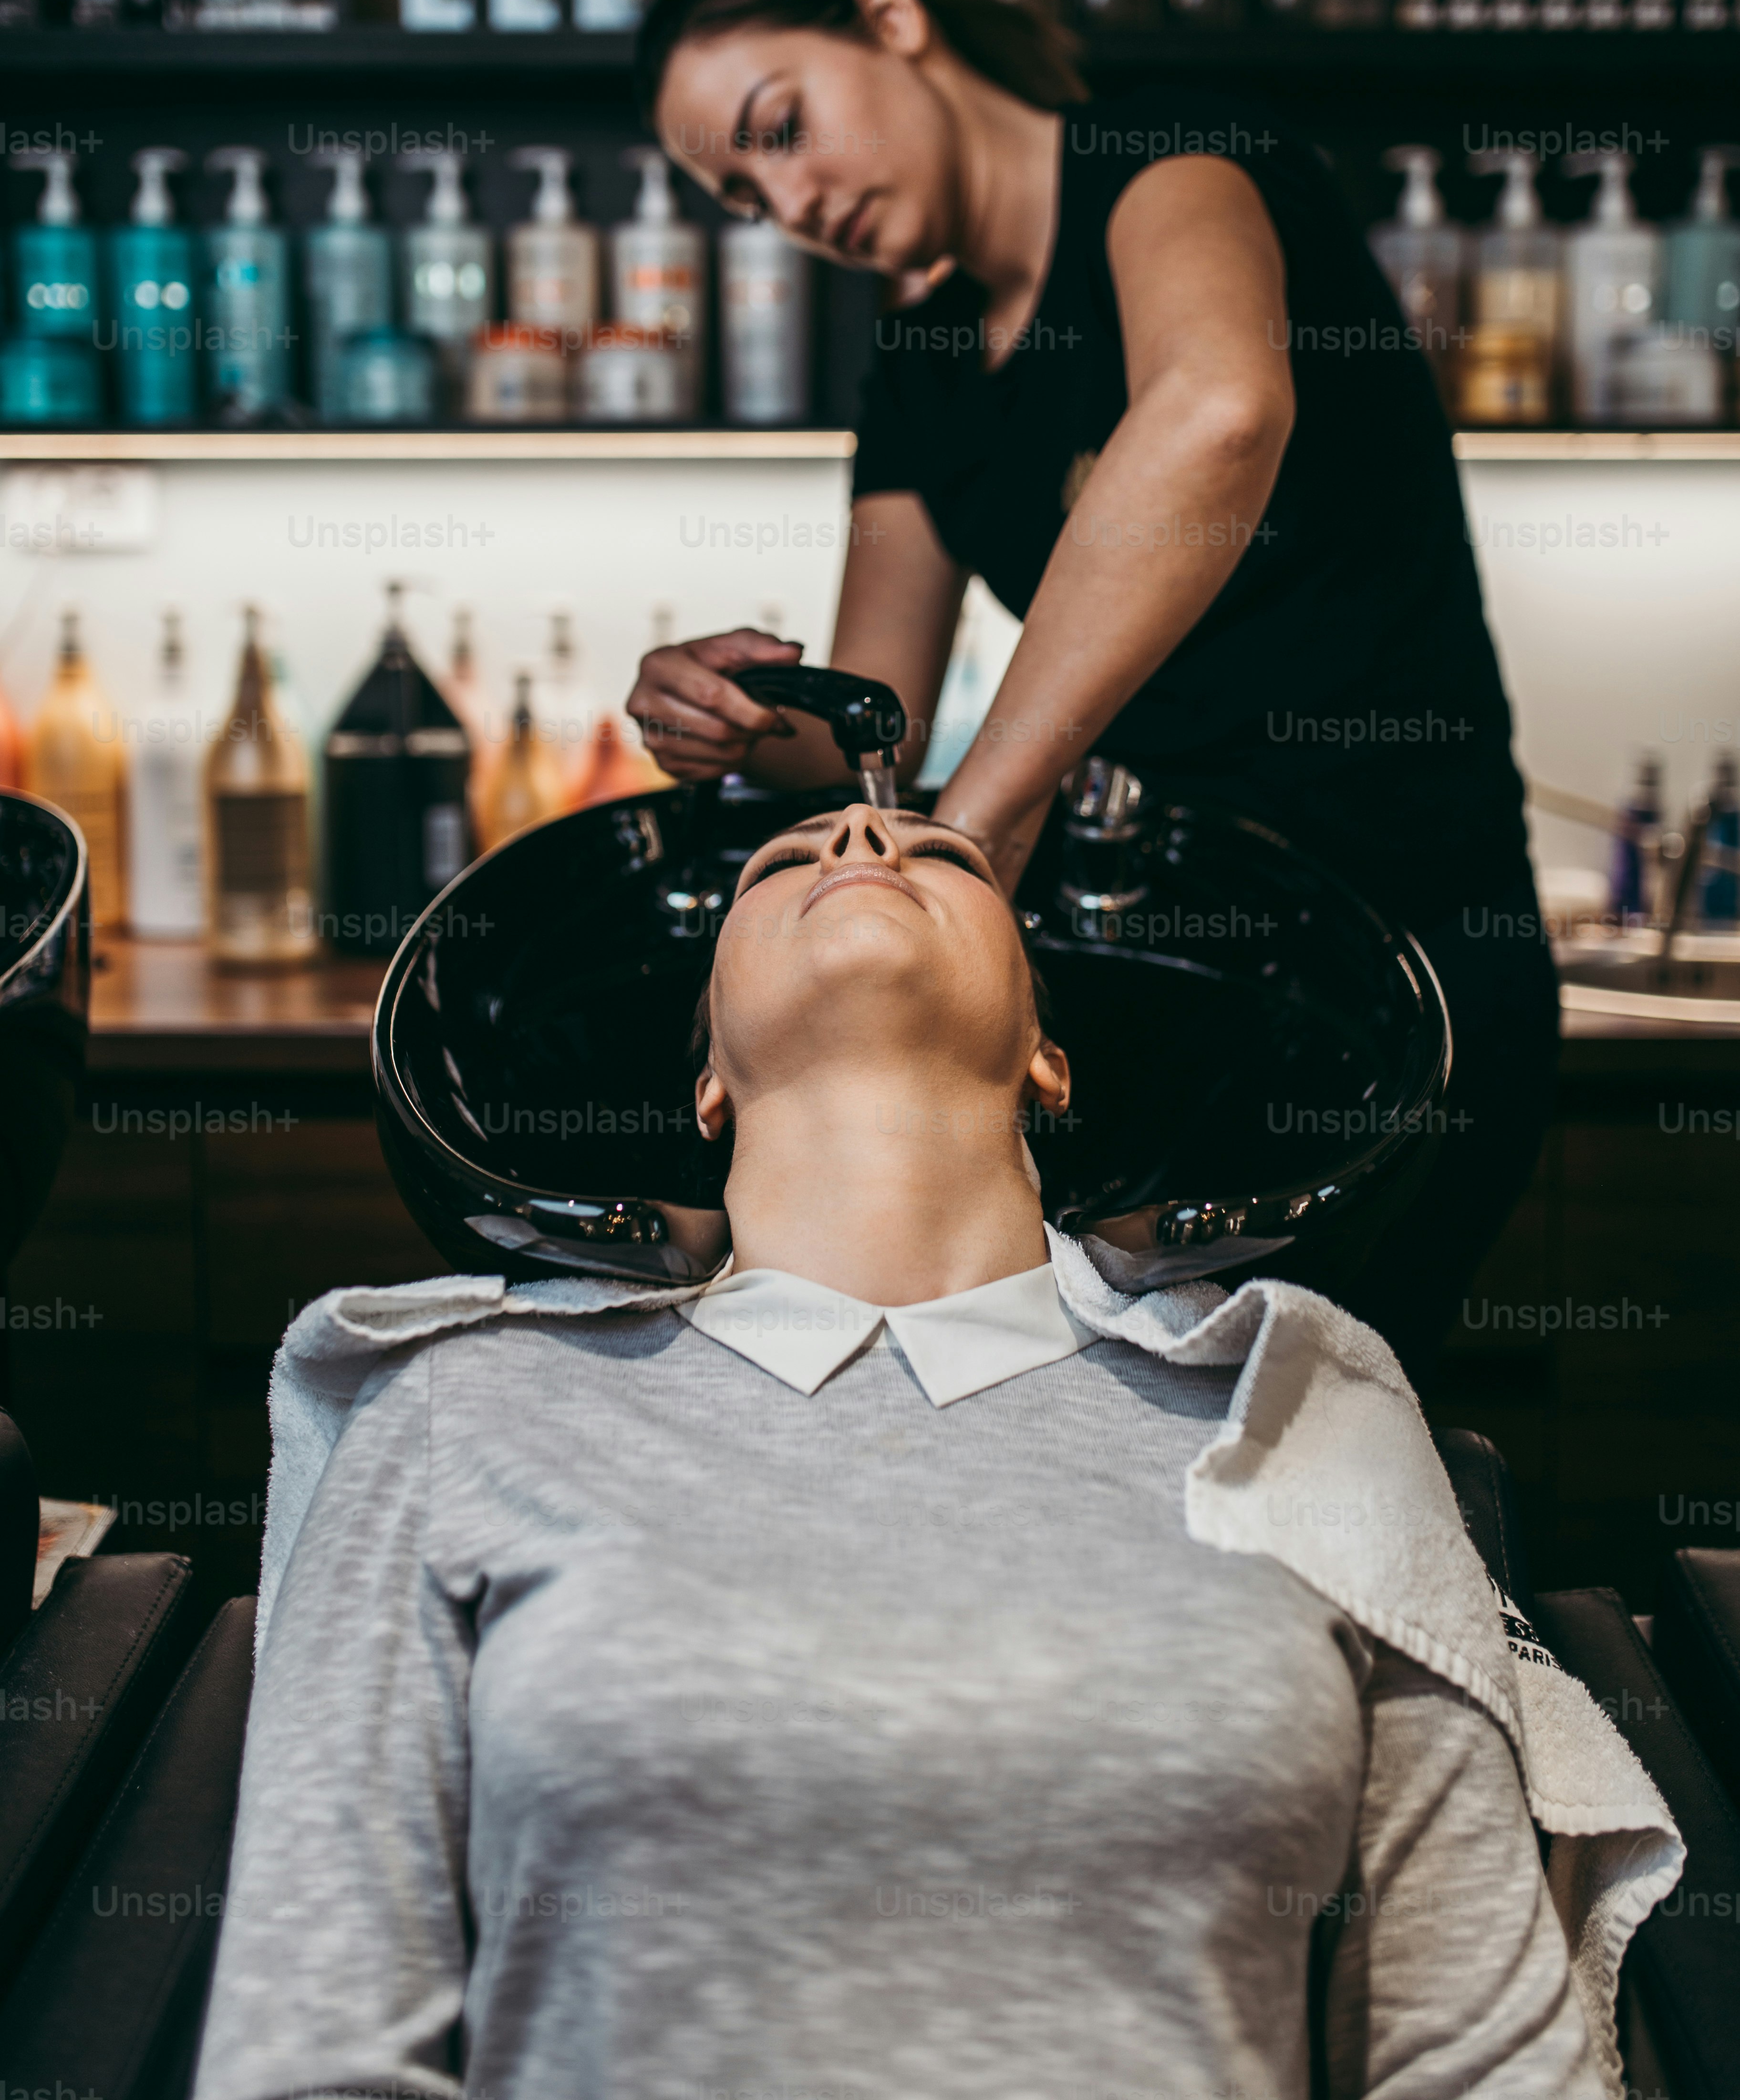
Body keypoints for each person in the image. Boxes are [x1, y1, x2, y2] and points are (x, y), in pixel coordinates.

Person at [192, 799, 1644, 2100]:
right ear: (707, 1077)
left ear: (1049, 1060)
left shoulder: (1294, 1414)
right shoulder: (460, 1407)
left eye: (941, 851)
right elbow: (317, 2052)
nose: (862, 844)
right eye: (787, 859)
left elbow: (1480, 2056)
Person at [626, 0, 1558, 1385]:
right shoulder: (921, 357)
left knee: (1337, 1443)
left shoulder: (1170, 158)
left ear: (889, 15)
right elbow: (873, 718)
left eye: (784, 130)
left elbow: (1217, 413)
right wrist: (738, 714)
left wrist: (979, 823)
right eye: (747, 195)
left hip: (1404, 962)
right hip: (1176, 981)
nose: (793, 203)